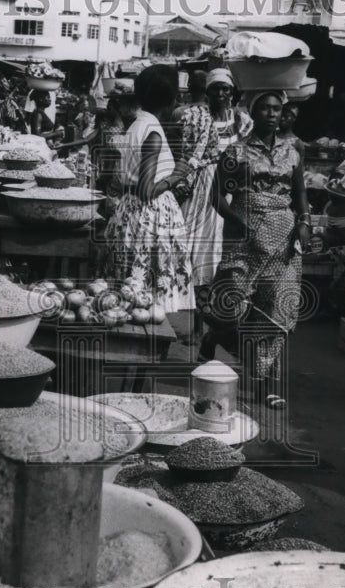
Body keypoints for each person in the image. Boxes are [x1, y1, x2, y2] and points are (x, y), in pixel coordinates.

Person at [203, 89, 311, 410]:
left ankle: (266, 383)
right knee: (232, 307)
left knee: (275, 312)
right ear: (254, 112)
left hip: (283, 239)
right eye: (264, 109)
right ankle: (216, 337)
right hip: (244, 237)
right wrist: (238, 220)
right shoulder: (236, 152)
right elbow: (216, 196)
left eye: (277, 109)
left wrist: (305, 222)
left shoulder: (293, 152)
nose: (272, 114)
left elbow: (300, 192)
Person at [103, 66, 195, 312]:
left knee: (130, 295)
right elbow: (146, 190)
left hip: (130, 212)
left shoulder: (136, 125)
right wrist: (176, 175)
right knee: (147, 299)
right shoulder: (153, 132)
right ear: (172, 99)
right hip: (148, 218)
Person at [177, 68, 253, 338]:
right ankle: (196, 323)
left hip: (228, 190)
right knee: (194, 252)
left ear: (232, 92)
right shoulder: (195, 117)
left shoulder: (242, 121)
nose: (221, 94)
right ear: (206, 92)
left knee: (221, 256)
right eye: (215, 89)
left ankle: (215, 324)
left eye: (226, 89)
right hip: (200, 189)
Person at [92, 83, 139, 218]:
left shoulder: (129, 124)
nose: (107, 109)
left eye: (111, 107)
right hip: (113, 165)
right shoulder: (112, 122)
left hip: (122, 168)